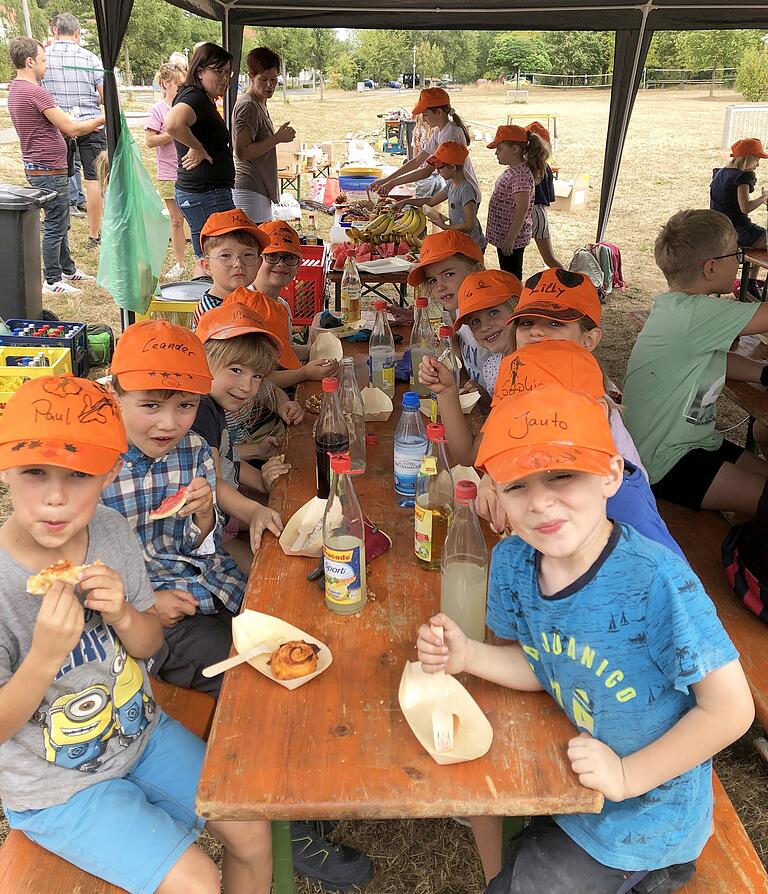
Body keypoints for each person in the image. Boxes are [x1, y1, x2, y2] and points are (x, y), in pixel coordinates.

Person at [418, 383, 754, 893]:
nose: (540, 503)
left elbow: (731, 710)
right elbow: (542, 663)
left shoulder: (656, 581)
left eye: (562, 475)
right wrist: (470, 655)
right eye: (516, 485)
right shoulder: (512, 563)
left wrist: (627, 776)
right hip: (572, 783)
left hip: (646, 815)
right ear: (494, 493)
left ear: (611, 474)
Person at [0, 375, 272, 894]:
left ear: (109, 474)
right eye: (36, 472)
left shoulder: (110, 532)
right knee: (197, 880)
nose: (56, 499)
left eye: (79, 475)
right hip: (57, 787)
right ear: (5, 470)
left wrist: (124, 613)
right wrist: (43, 658)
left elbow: (149, 646)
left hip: (141, 736)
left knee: (252, 828)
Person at [623, 209, 768, 518]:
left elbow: (716, 360)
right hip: (665, 462)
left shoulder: (676, 307)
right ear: (711, 269)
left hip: (690, 443)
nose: (740, 261)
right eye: (737, 254)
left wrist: (762, 372)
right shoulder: (695, 314)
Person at [193, 303, 291, 574]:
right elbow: (213, 481)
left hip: (223, 519)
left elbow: (228, 458)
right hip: (204, 532)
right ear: (203, 360)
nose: (247, 386)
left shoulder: (215, 404)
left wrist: (261, 481)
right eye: (236, 370)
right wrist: (252, 511)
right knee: (266, 575)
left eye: (257, 376)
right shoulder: (200, 410)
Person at [7, 37, 103, 295]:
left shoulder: (15, 89)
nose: (46, 65)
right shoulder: (35, 91)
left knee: (60, 221)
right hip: (48, 169)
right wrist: (104, 118)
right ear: (29, 62)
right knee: (56, 224)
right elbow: (71, 127)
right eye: (43, 59)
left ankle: (67, 269)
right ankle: (52, 279)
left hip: (42, 167)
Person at [164, 42, 236, 279]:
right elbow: (172, 123)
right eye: (218, 72)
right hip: (207, 194)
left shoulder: (200, 97)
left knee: (204, 257)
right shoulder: (194, 96)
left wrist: (199, 145)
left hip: (199, 192)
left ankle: (203, 310)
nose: (224, 78)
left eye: (228, 72)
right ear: (199, 72)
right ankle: (214, 310)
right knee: (224, 257)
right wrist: (198, 147)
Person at [42, 13, 106, 248]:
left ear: (54, 31)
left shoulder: (43, 57)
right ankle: (93, 234)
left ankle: (56, 230)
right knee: (93, 179)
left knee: (56, 177)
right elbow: (104, 94)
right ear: (78, 33)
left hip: (57, 124)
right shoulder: (90, 58)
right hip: (91, 124)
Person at [406, 229, 488, 384]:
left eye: (449, 274)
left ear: (477, 271)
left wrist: (482, 394)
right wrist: (454, 343)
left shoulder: (491, 320)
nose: (440, 286)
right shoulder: (457, 310)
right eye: (432, 280)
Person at [371, 87, 480, 199]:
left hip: (466, 193)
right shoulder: (439, 131)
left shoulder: (450, 134)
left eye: (425, 114)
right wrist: (387, 180)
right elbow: (417, 161)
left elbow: (427, 171)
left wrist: (392, 183)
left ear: (438, 112)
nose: (423, 119)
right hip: (455, 189)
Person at [232, 46, 296, 224]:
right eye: (263, 79)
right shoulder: (248, 106)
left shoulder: (259, 101)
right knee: (254, 247)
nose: (270, 85)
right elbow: (242, 152)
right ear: (251, 76)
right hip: (249, 188)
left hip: (258, 188)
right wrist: (277, 138)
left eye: (274, 79)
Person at [392, 142, 487, 253]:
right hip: (460, 240)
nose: (437, 171)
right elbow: (431, 201)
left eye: (440, 167)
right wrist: (406, 202)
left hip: (473, 244)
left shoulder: (466, 189)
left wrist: (445, 227)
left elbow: (470, 224)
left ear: (452, 167)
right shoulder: (451, 185)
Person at [710, 137, 768, 301]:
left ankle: (750, 283)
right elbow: (746, 207)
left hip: (720, 229)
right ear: (749, 158)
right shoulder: (743, 177)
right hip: (739, 231)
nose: (758, 164)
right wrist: (764, 197)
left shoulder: (720, 173)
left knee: (763, 241)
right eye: (757, 159)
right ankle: (749, 285)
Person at [146, 60, 189, 279]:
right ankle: (180, 263)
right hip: (169, 173)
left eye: (183, 84)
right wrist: (172, 132)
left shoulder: (187, 107)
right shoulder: (158, 110)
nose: (180, 87)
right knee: (176, 220)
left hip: (189, 170)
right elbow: (150, 141)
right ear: (164, 84)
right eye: (176, 84)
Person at [485, 125, 547, 279]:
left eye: (499, 149)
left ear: (514, 150)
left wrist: (510, 239)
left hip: (512, 238)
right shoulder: (514, 169)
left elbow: (522, 209)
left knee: (512, 276)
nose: (496, 153)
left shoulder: (520, 175)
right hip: (505, 235)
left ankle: (515, 300)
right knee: (507, 273)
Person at [525, 120, 564, 268]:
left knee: (514, 257)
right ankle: (567, 282)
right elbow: (550, 197)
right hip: (541, 214)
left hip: (526, 214)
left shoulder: (521, 168)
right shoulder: (546, 167)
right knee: (549, 259)